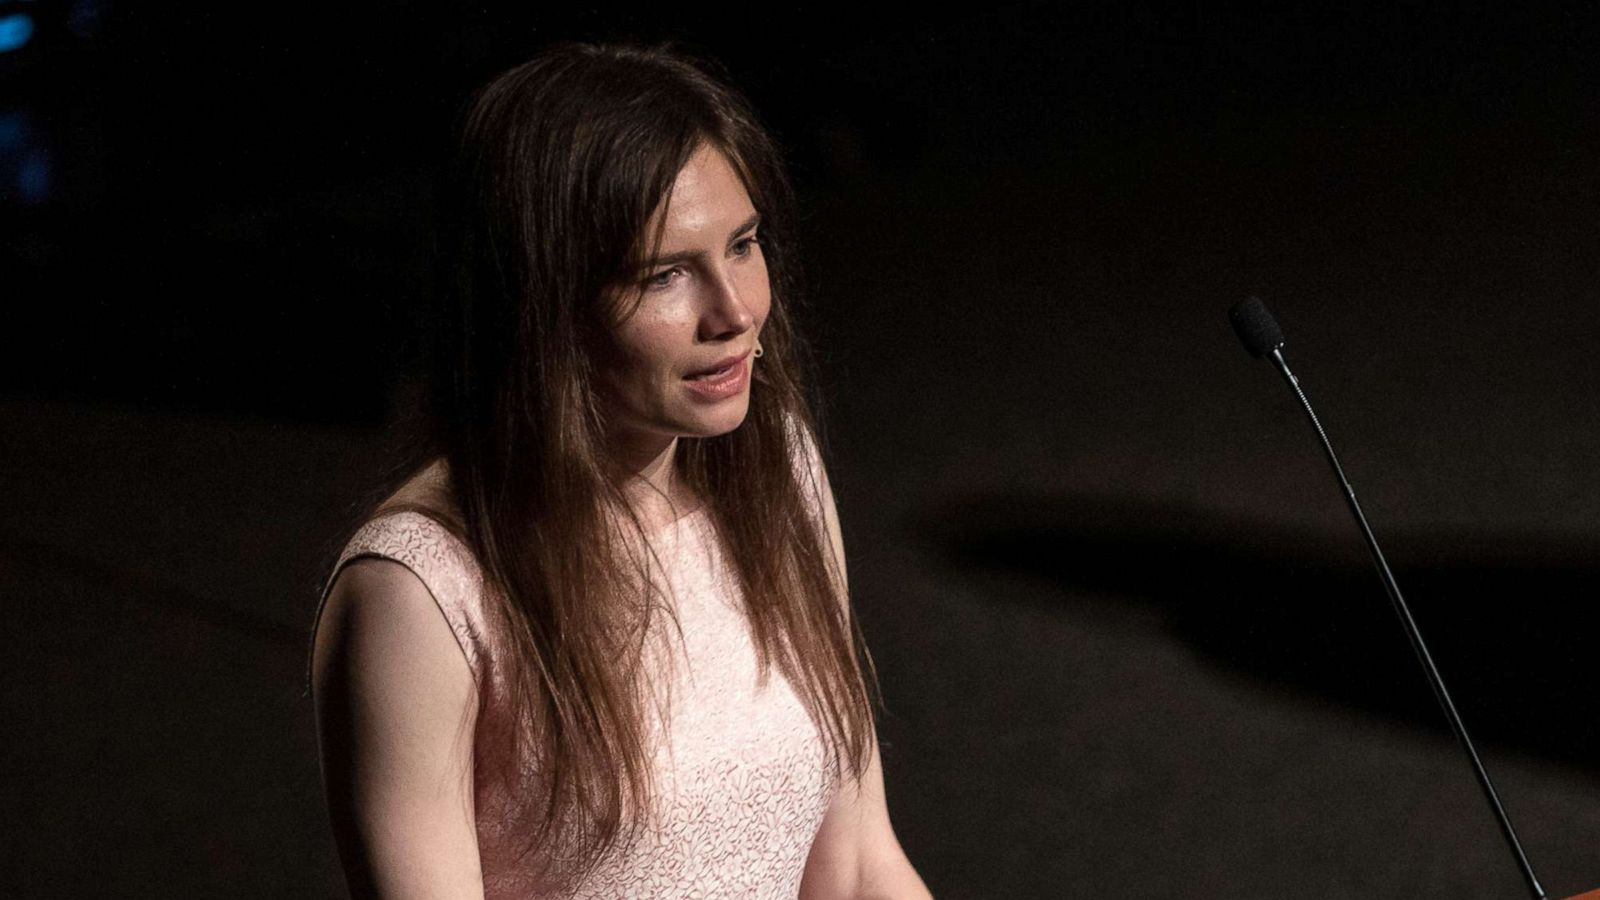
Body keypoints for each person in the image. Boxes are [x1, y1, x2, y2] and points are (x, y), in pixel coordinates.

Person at [308, 42, 932, 899]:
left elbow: (859, 866)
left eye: (743, 245)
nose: (737, 310)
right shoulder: (421, 592)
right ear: (543, 303)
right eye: (666, 274)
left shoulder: (777, 469)